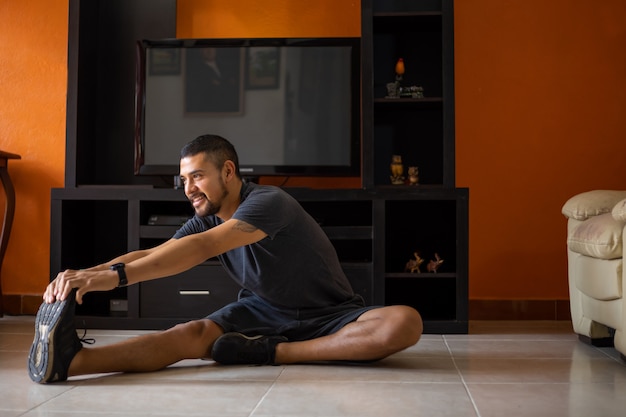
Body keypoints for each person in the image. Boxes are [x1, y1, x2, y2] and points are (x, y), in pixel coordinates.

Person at [28, 134, 423, 384]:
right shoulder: (206, 218)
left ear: (229, 171)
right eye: (183, 180)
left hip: (329, 313)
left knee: (403, 322)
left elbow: (203, 249)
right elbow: (155, 253)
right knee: (189, 334)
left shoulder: (269, 202)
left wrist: (114, 280)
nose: (188, 189)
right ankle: (72, 362)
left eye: (197, 177)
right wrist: (87, 274)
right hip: (261, 313)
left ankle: (271, 351)